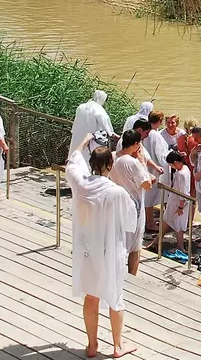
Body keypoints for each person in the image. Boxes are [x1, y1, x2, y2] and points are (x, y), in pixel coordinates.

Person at [67, 133, 137, 358]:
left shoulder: (80, 184)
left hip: (87, 250)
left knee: (91, 296)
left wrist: (85, 141)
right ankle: (117, 346)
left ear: (91, 165)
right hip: (110, 251)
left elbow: (72, 162)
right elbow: (130, 222)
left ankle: (92, 344)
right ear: (110, 164)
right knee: (115, 297)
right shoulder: (117, 192)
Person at [107, 129, 154, 275]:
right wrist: (142, 163)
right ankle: (131, 276)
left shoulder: (112, 156)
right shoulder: (133, 162)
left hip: (116, 204)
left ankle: (113, 271)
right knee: (135, 245)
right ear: (135, 144)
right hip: (134, 206)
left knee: (117, 240)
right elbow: (147, 184)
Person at [69, 90, 116, 162]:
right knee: (88, 158)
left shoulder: (81, 107)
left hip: (78, 136)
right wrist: (110, 132)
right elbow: (105, 122)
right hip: (89, 138)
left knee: (76, 155)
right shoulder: (98, 109)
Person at [141, 112, 169, 232]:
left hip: (147, 166)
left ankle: (149, 220)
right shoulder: (155, 135)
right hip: (155, 167)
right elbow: (161, 154)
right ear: (159, 121)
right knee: (150, 196)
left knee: (148, 195)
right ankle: (150, 222)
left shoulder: (147, 133)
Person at [162, 151, 191, 252]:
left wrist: (180, 207)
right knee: (167, 220)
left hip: (178, 202)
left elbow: (183, 192)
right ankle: (157, 241)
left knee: (179, 225)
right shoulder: (185, 169)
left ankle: (180, 247)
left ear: (175, 163)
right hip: (175, 200)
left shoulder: (181, 174)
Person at [176, 117, 199, 198]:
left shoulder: (180, 139)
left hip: (183, 167)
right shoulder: (196, 140)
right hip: (194, 167)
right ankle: (192, 211)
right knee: (193, 192)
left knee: (183, 190)